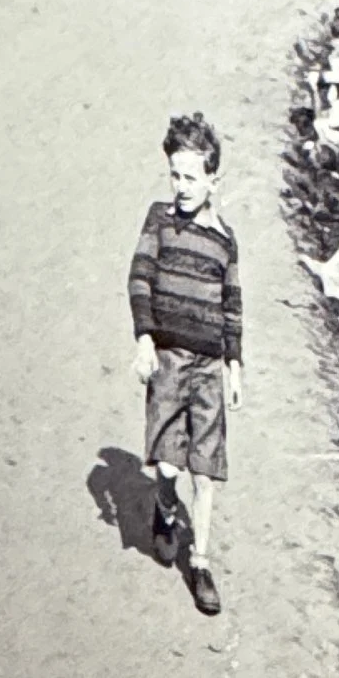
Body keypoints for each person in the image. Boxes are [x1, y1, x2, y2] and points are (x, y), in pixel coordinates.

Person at [127, 112, 243, 617]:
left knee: (205, 471)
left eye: (192, 177)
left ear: (214, 179)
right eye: (175, 175)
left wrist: (235, 364)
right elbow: (140, 277)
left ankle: (200, 562)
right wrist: (145, 338)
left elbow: (232, 305)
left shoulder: (224, 239)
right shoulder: (160, 219)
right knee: (171, 465)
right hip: (170, 360)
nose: (181, 186)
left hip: (209, 365)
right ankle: (164, 509)